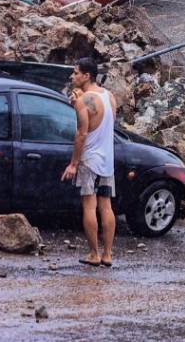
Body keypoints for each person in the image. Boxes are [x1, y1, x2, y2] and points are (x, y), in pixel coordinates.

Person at [62, 58, 116, 268]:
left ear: (86, 76)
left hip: (89, 159)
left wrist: (73, 164)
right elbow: (107, 124)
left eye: (76, 73)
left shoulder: (83, 101)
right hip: (107, 160)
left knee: (89, 206)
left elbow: (82, 134)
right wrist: (77, 102)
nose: (72, 76)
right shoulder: (109, 96)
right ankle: (108, 254)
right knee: (106, 206)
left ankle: (94, 254)